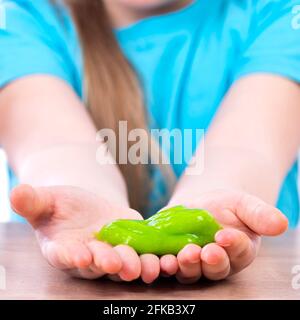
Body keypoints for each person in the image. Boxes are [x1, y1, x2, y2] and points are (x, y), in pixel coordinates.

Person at [0, 0, 299, 284]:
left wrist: (226, 193)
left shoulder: (280, 10)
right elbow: (53, 144)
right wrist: (75, 190)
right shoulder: (23, 14)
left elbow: (250, 145)